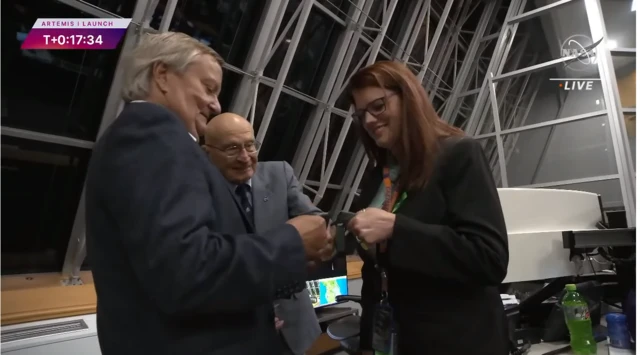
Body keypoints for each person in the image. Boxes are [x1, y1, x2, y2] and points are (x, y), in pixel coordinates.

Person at [84, 32, 332, 355]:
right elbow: (186, 270)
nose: (215, 104)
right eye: (208, 88)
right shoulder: (154, 136)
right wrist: (291, 243)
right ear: (162, 75)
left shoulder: (147, 139)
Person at [344, 61, 510, 355]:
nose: (369, 120)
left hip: (457, 341)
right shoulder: (376, 178)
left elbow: (489, 257)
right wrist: (369, 341)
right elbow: (376, 271)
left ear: (408, 98)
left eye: (378, 106)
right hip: (399, 339)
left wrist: (397, 229)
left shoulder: (458, 154)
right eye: (361, 114)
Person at [203, 112, 325, 355]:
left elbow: (317, 222)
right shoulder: (199, 195)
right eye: (232, 149)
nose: (245, 157)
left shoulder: (279, 174)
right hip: (239, 332)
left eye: (250, 145)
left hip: (296, 328)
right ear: (208, 154)